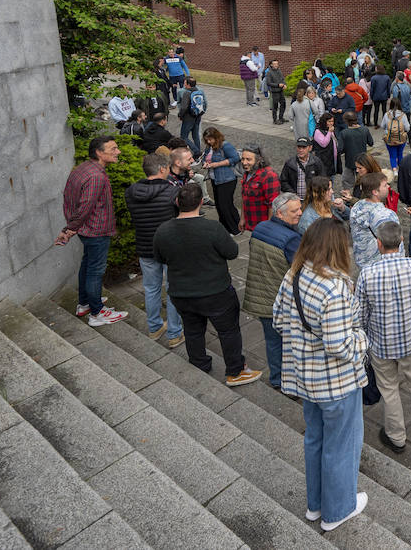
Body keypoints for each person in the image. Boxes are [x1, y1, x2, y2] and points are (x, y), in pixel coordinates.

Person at [272, 219, 369, 532]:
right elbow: (339, 344)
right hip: (336, 383)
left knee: (315, 439)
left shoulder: (295, 273)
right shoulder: (336, 287)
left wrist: (304, 344)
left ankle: (315, 505)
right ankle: (337, 510)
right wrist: (363, 340)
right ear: (339, 248)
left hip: (304, 377)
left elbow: (278, 320)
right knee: (342, 445)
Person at [154, 183, 262, 386]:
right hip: (215, 292)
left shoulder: (163, 230)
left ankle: (199, 364)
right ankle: (235, 371)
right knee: (228, 331)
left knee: (193, 331)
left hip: (181, 293)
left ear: (177, 203)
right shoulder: (212, 228)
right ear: (201, 202)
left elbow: (160, 258)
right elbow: (232, 252)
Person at [356, 219, 411, 454]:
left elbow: (361, 313)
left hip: (381, 344)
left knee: (388, 389)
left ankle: (396, 436)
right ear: (401, 241)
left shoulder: (367, 273)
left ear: (378, 243)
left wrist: (363, 338)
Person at [60, 136, 129, 326]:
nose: (118, 152)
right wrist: (70, 228)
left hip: (86, 230)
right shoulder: (97, 176)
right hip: (95, 231)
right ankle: (97, 313)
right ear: (99, 152)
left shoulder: (84, 168)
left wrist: (72, 226)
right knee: (95, 271)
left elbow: (68, 198)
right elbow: (84, 206)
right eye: (113, 149)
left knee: (87, 265)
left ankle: (85, 303)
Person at [124, 152, 184, 347]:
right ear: (162, 169)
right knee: (173, 289)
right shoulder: (172, 191)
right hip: (170, 248)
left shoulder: (131, 191)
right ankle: (175, 333)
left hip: (145, 246)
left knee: (151, 289)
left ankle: (154, 327)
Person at [246, 193, 303, 391]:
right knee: (287, 343)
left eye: (299, 209)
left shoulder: (260, 228)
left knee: (272, 341)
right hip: (279, 301)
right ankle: (287, 380)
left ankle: (277, 379)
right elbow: (302, 270)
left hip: (258, 294)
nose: (300, 214)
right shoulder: (292, 239)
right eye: (294, 211)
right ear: (280, 213)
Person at [349, 172, 398, 270]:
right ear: (375, 192)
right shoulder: (387, 215)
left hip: (362, 261)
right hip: (381, 266)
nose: (388, 187)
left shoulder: (357, 206)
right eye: (385, 185)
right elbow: (395, 245)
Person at [200, 127, 242, 234]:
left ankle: (234, 229)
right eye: (207, 140)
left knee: (225, 205)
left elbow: (235, 158)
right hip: (215, 179)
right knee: (220, 205)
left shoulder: (225, 145)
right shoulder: (208, 147)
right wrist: (204, 163)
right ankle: (227, 225)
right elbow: (205, 158)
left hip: (227, 179)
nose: (209, 142)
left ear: (216, 137)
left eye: (210, 139)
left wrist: (217, 164)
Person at [239, 144, 281, 233]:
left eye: (248, 159)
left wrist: (268, 228)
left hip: (263, 228)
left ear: (259, 160)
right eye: (243, 159)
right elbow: (244, 198)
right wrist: (242, 219)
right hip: (250, 224)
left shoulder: (269, 176)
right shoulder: (247, 172)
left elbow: (273, 206)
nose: (244, 162)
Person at [280, 137, 329, 202]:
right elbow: (283, 181)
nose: (301, 150)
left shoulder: (317, 162)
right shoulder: (289, 163)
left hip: (312, 200)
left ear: (310, 148)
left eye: (304, 148)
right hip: (295, 200)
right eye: (299, 147)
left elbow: (323, 180)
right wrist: (292, 193)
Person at [339, 112, 374, 190]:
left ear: (346, 121)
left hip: (350, 161)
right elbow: (371, 143)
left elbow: (340, 149)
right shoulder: (365, 129)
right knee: (363, 181)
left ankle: (347, 198)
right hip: (363, 161)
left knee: (347, 182)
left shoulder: (344, 133)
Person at [177, 77, 206, 153]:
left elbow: (184, 107)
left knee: (184, 137)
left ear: (188, 84)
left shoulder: (187, 93)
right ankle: (198, 150)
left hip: (188, 118)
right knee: (195, 135)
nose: (184, 84)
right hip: (197, 116)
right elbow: (204, 104)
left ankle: (197, 151)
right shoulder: (199, 91)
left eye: (185, 83)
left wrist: (180, 115)